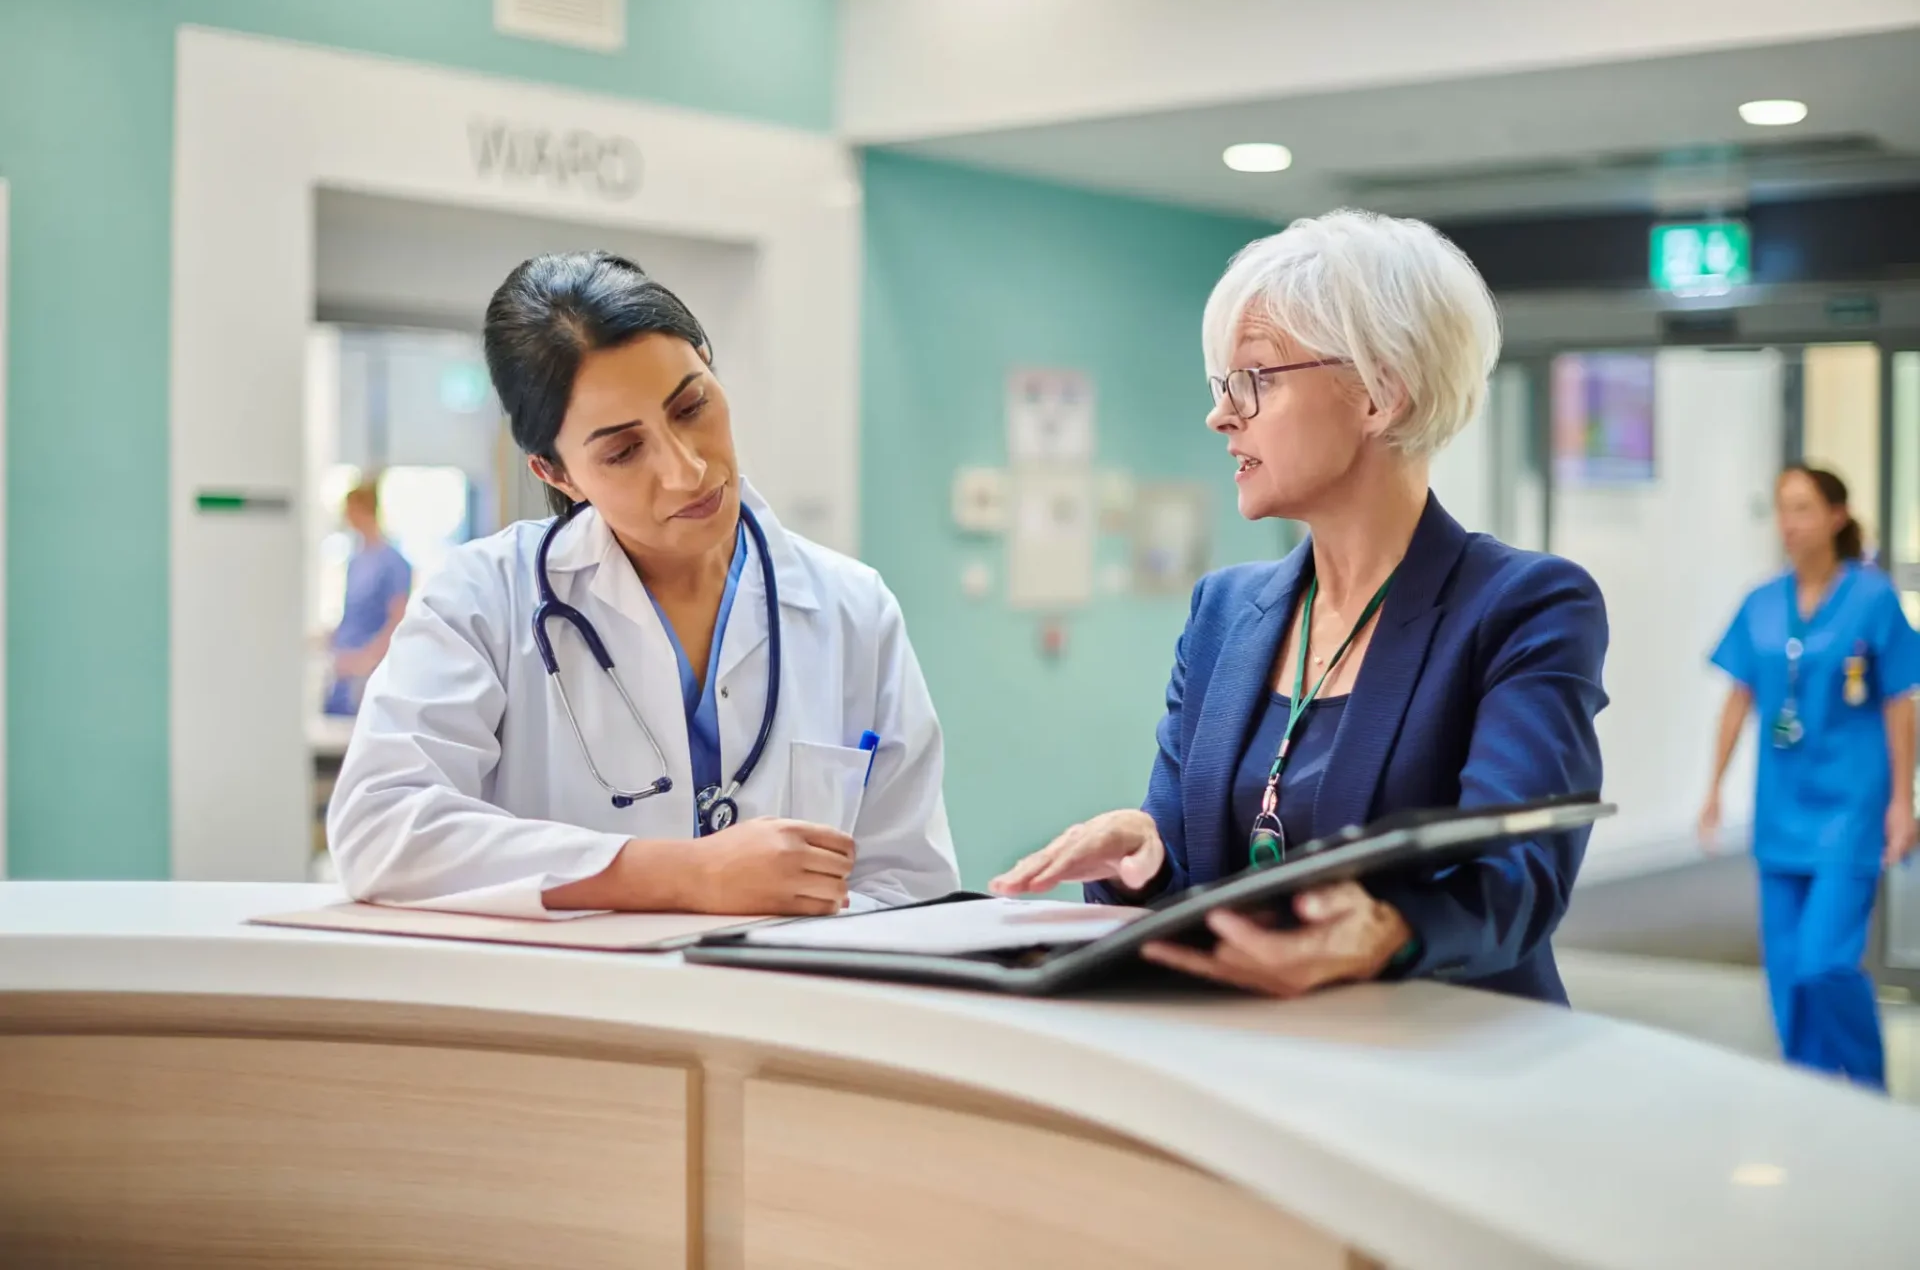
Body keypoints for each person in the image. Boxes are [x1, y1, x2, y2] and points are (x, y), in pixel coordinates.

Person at [991, 209, 1609, 1005]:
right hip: (1249, 1057)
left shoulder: (1523, 606)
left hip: (1447, 1053)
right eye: (1222, 386)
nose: (1221, 415)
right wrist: (1142, 862)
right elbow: (1195, 883)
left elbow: (1518, 876)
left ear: (1380, 392)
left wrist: (1386, 931)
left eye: (1256, 379)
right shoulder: (1223, 611)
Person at [328, 251, 960, 918]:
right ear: (556, 474)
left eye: (691, 406)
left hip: (794, 984)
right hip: (574, 988)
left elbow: (911, 885)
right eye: (624, 451)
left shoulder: (854, 609)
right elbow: (380, 830)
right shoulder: (483, 600)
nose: (688, 471)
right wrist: (683, 875)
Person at [1699, 465, 1920, 1087]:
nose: (1789, 523)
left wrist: (1902, 801)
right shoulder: (1761, 602)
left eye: (1803, 508)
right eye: (1782, 509)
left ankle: (1867, 1084)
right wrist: (1713, 788)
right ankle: (1811, 1090)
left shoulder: (1872, 598)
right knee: (1788, 977)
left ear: (1836, 516)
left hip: (1851, 806)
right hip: (1781, 808)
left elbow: (1901, 701)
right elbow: (1738, 699)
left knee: (1825, 963)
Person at [324, 481, 412, 716]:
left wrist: (366, 659)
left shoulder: (393, 563)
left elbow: (398, 621)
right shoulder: (356, 560)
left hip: (368, 669)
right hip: (343, 667)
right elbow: (353, 615)